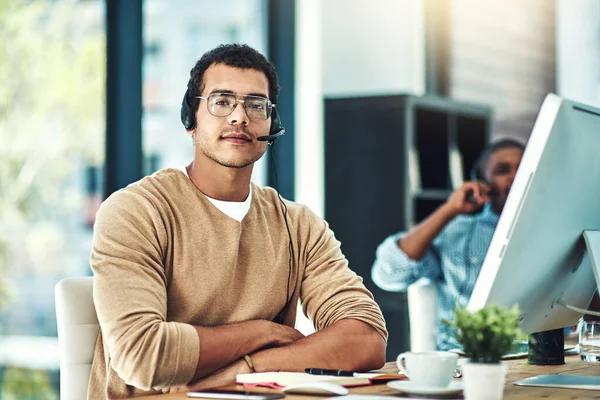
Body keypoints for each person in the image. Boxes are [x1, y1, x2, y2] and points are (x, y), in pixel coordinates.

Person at [88, 44, 387, 399]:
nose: (239, 117)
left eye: (256, 105)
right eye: (221, 101)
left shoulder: (298, 224)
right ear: (190, 119)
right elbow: (143, 357)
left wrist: (250, 369)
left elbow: (365, 336)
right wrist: (261, 332)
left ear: (272, 124)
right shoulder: (136, 211)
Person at [371, 138, 525, 351]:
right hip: (467, 359)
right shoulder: (457, 231)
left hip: (540, 355)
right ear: (482, 181)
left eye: (524, 167)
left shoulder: (554, 227)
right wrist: (450, 209)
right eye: (502, 170)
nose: (516, 176)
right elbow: (389, 273)